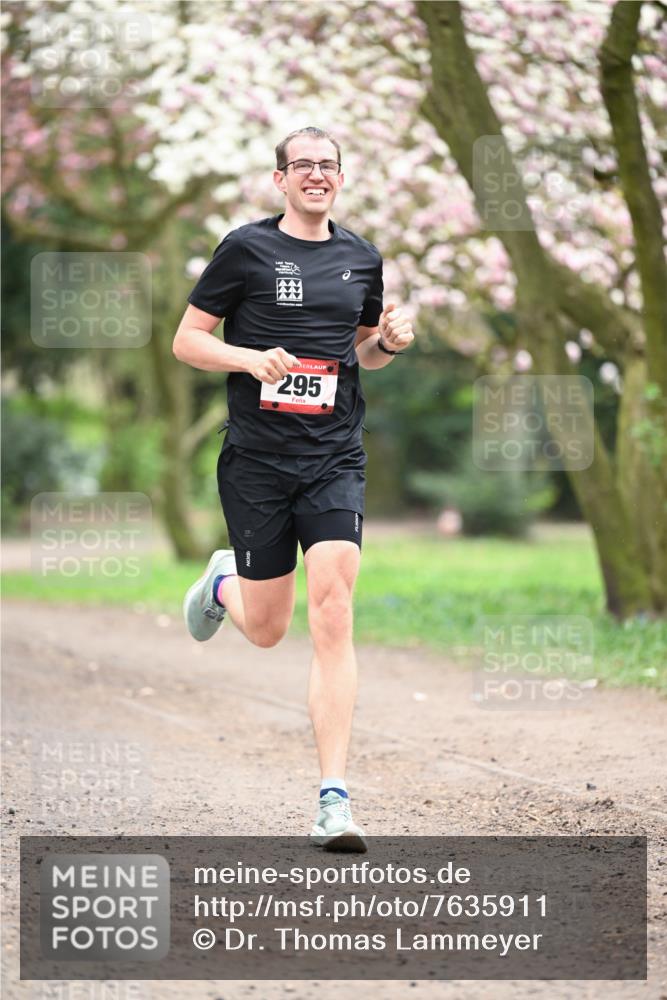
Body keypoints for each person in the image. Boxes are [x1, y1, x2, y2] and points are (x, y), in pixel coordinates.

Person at [173, 126, 414, 851]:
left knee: (334, 607)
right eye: (302, 165)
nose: (316, 174)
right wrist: (249, 359)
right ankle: (224, 584)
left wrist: (391, 344)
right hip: (256, 461)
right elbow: (187, 340)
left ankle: (333, 800)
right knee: (270, 629)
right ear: (280, 179)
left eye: (328, 165)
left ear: (340, 179)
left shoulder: (360, 256)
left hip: (333, 456)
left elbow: (362, 355)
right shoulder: (244, 249)